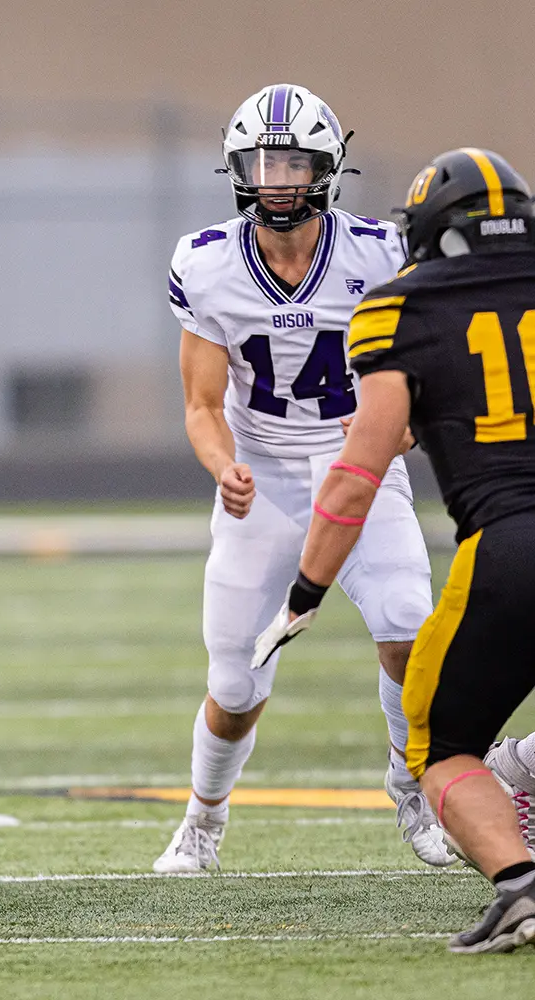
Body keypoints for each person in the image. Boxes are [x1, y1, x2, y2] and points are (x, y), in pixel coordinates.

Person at [157, 83, 449, 872]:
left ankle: (411, 786)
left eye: (293, 164)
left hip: (360, 462)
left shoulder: (379, 252)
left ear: (326, 170)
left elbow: (427, 368)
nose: (277, 180)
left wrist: (402, 425)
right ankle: (203, 819)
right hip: (263, 473)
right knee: (234, 685)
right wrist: (224, 466)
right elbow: (201, 404)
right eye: (263, 164)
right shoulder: (207, 262)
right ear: (237, 169)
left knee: (407, 624)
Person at [254, 148, 535, 953]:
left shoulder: (401, 308)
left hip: (512, 545)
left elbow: (356, 478)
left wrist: (306, 593)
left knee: (437, 746)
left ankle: (520, 888)